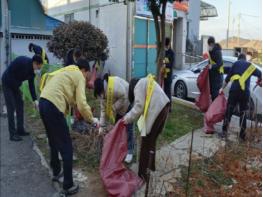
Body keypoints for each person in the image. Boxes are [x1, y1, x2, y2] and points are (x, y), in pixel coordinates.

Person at [39, 58, 99, 195]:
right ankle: (68, 185)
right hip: (54, 106)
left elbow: (70, 98)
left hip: (43, 102)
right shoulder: (79, 75)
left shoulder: (66, 71)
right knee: (67, 147)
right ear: (84, 70)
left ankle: (56, 171)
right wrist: (92, 119)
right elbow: (82, 103)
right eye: (88, 73)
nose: (87, 77)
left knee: (53, 141)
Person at [122, 75, 170, 181]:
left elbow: (139, 106)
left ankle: (143, 174)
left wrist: (127, 118)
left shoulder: (138, 86)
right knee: (152, 140)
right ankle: (151, 166)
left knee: (146, 142)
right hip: (164, 107)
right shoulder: (145, 81)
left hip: (158, 109)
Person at [219, 54, 262, 140]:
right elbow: (260, 74)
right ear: (245, 59)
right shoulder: (250, 65)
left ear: (239, 59)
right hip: (244, 93)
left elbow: (227, 79)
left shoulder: (235, 64)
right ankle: (242, 135)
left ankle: (224, 132)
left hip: (234, 91)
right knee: (243, 113)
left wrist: (221, 89)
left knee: (229, 111)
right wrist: (259, 81)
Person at [93, 74, 134, 163]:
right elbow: (103, 111)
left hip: (127, 102)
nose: (101, 97)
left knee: (128, 128)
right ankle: (120, 148)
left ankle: (130, 151)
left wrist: (113, 108)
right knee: (117, 127)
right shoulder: (102, 94)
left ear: (102, 89)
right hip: (118, 107)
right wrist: (101, 126)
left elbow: (124, 96)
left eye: (100, 94)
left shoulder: (114, 88)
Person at [1, 55, 43, 141]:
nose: (38, 70)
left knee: (20, 104)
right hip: (7, 82)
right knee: (11, 107)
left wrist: (35, 100)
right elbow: (11, 73)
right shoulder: (22, 62)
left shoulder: (32, 71)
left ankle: (20, 130)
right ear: (34, 63)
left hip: (15, 84)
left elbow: (31, 85)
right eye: (38, 67)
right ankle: (12, 134)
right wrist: (16, 88)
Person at [205, 36, 224, 134]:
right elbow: (210, 62)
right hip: (213, 78)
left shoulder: (217, 52)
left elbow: (220, 63)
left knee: (216, 98)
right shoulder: (212, 51)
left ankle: (217, 116)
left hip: (217, 79)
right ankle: (213, 116)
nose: (209, 47)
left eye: (209, 45)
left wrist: (212, 66)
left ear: (212, 44)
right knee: (213, 97)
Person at [162, 37, 175, 111]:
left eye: (166, 46)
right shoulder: (164, 52)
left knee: (168, 92)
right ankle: (164, 106)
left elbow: (171, 64)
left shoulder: (171, 53)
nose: (166, 47)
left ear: (168, 45)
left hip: (168, 75)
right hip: (163, 74)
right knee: (164, 91)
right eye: (165, 46)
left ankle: (169, 107)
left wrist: (165, 64)